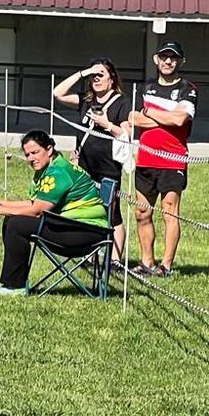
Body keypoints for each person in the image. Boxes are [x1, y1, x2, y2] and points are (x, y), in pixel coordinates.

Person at [0, 131, 112, 296]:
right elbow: (35, 203)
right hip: (76, 226)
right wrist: (1, 203)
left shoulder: (59, 173)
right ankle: (13, 283)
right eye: (27, 154)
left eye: (35, 152)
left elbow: (37, 211)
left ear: (49, 150)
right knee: (13, 220)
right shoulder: (49, 168)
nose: (30, 158)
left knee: (15, 224)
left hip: (86, 232)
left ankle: (14, 286)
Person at [126, 42, 197, 277]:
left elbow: (180, 121)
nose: (168, 62)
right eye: (164, 57)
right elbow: (134, 118)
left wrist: (150, 113)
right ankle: (147, 262)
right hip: (146, 158)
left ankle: (166, 266)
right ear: (156, 60)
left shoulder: (188, 89)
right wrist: (162, 116)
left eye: (173, 58)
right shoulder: (145, 88)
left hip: (172, 160)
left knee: (170, 212)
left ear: (181, 62)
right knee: (142, 213)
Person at [53, 58, 129, 264]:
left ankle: (114, 259)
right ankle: (90, 251)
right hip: (85, 166)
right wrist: (83, 72)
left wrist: (107, 124)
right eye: (93, 77)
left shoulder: (121, 102)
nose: (96, 79)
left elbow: (126, 133)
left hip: (108, 167)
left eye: (101, 75)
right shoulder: (86, 101)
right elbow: (57, 93)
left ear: (112, 79)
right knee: (88, 208)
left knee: (112, 212)